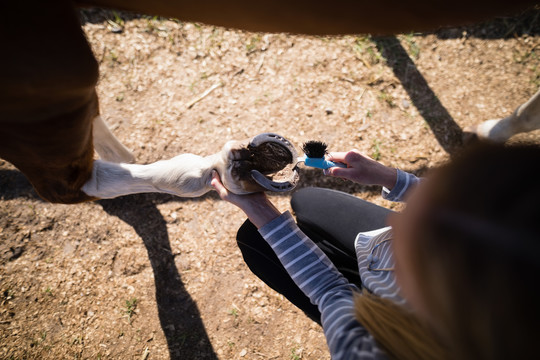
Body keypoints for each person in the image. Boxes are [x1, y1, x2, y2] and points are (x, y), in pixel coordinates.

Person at [210, 142, 540, 360]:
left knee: (254, 242)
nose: (398, 220)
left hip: (377, 313)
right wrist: (389, 177)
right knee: (308, 201)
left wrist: (260, 212)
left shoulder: (368, 352)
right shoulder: (516, 232)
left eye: (419, 230)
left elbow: (329, 289)